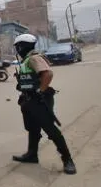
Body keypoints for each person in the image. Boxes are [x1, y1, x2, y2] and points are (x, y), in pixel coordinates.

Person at [12, 34, 76, 175]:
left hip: (39, 99)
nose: (17, 49)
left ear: (22, 46)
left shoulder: (34, 58)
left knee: (50, 130)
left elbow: (48, 74)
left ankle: (68, 160)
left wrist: (40, 90)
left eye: (17, 46)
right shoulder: (27, 59)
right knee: (33, 128)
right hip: (28, 99)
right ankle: (32, 155)